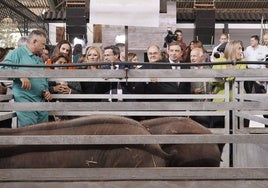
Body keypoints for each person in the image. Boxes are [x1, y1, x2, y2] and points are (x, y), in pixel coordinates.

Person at [1, 30, 52, 127]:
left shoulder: (38, 58)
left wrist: (46, 90)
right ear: (34, 42)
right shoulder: (17, 53)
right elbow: (3, 68)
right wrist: (20, 75)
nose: (44, 47)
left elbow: (43, 79)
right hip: (26, 101)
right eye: (42, 44)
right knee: (29, 132)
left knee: (44, 132)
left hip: (41, 102)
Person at [211, 40, 247, 128]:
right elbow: (212, 81)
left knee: (239, 132)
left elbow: (237, 75)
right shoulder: (218, 61)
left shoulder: (243, 62)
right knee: (219, 131)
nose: (241, 51)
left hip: (239, 102)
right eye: (239, 49)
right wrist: (228, 77)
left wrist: (223, 78)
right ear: (232, 49)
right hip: (221, 102)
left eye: (241, 49)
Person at [190, 47, 213, 127]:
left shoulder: (209, 69)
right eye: (191, 56)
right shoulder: (187, 70)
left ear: (202, 57)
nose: (192, 58)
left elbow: (213, 84)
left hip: (208, 103)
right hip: (194, 104)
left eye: (194, 56)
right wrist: (193, 91)